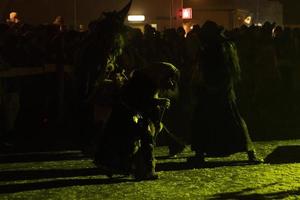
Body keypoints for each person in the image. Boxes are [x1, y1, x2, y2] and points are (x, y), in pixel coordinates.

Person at [188, 20, 263, 164]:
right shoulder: (218, 47)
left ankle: (250, 153)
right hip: (216, 90)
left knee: (226, 120)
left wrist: (212, 86)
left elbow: (224, 70)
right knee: (209, 121)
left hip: (218, 90)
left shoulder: (218, 48)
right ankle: (200, 154)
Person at [94, 62, 180, 180]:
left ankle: (131, 167)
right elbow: (139, 100)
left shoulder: (147, 79)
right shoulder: (143, 80)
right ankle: (146, 170)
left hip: (129, 114)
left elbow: (145, 99)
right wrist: (158, 102)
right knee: (144, 138)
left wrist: (158, 102)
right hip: (128, 115)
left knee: (134, 141)